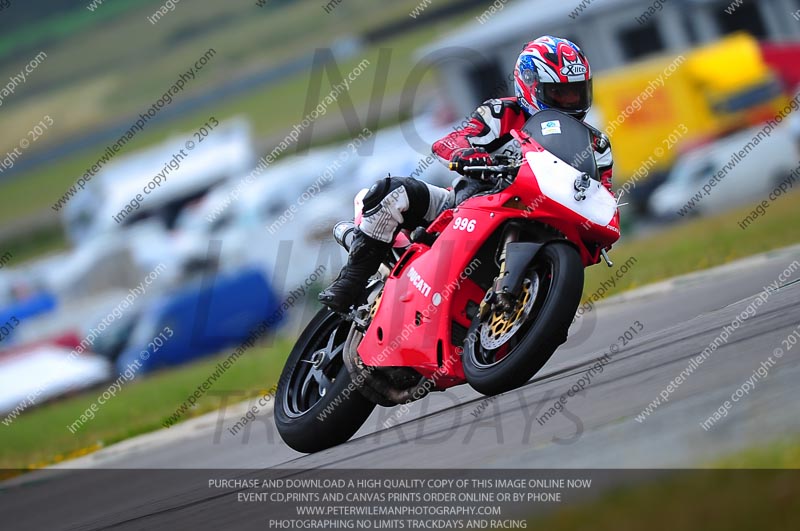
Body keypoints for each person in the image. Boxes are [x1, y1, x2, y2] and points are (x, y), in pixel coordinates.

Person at [319, 36, 613, 313]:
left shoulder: (597, 145)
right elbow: (453, 140)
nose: (569, 102)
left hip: (546, 221)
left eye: (576, 92)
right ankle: (352, 281)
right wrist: (468, 155)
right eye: (559, 94)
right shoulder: (501, 114)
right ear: (530, 85)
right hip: (465, 206)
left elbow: (604, 193)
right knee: (393, 191)